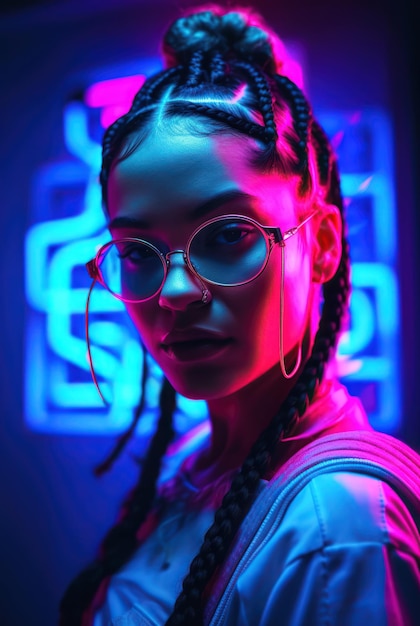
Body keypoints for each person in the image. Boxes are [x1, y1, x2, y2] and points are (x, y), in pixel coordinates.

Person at [59, 4, 420, 625]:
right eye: (136, 250)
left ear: (325, 243)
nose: (173, 291)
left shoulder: (337, 527)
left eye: (227, 235)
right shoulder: (195, 457)